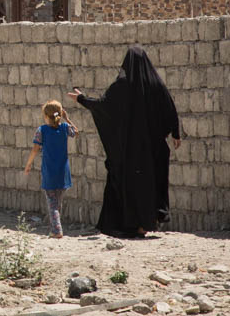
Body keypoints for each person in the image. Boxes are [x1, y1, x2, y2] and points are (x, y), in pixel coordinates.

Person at [68, 45, 180, 237]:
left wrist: (81, 99)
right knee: (152, 183)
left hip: (130, 151)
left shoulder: (122, 86)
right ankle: (147, 223)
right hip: (154, 149)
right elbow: (170, 108)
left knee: (131, 185)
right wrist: (175, 133)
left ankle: (134, 224)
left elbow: (104, 107)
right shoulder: (156, 84)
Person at [23, 99, 78, 238]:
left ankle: (56, 230)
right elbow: (76, 132)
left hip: (49, 171)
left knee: (52, 203)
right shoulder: (65, 128)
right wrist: (67, 118)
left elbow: (35, 149)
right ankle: (56, 226)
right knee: (58, 202)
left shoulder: (42, 130)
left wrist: (28, 164)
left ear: (46, 116)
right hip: (63, 171)